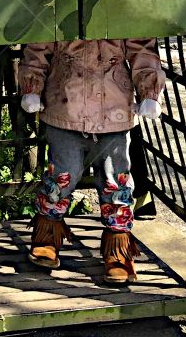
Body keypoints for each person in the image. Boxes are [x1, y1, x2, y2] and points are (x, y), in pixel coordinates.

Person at [18, 40, 166, 284]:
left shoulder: (122, 11)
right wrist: (32, 87)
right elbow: (39, 46)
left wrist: (149, 92)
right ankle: (46, 236)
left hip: (115, 111)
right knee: (61, 176)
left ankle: (117, 248)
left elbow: (141, 48)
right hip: (65, 107)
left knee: (116, 181)